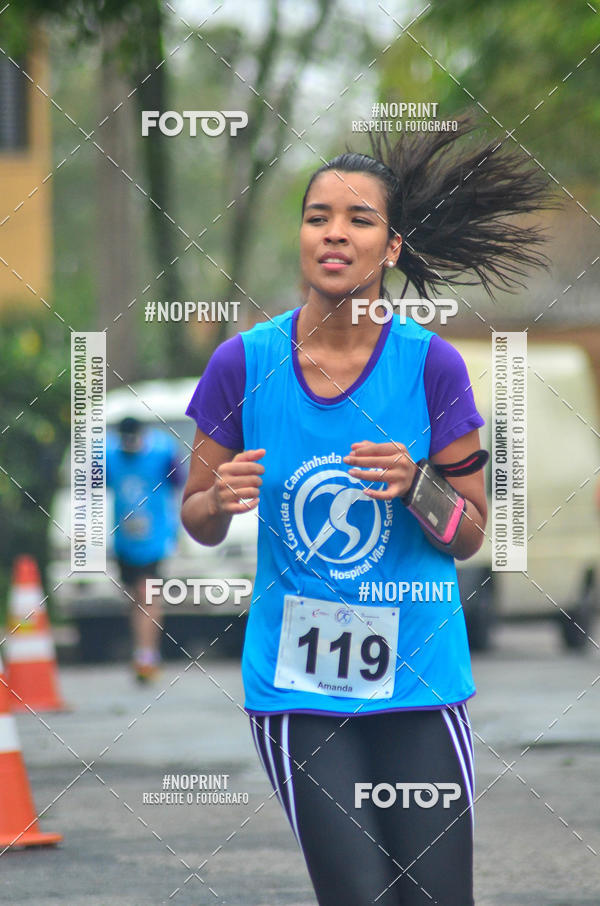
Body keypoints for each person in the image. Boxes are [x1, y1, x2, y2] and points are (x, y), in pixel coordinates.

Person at [181, 116, 552, 904]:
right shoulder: (241, 364)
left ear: (391, 248)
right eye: (318, 217)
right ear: (302, 236)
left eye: (359, 219)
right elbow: (197, 518)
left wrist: (418, 485)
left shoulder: (431, 366)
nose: (335, 233)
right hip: (300, 690)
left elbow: (471, 533)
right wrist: (217, 499)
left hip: (418, 676)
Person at [106, 416, 183, 682]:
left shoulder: (163, 451)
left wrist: (178, 529)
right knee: (135, 597)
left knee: (147, 592)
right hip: (125, 540)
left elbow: (179, 485)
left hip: (155, 537)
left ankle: (146, 655)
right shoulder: (109, 455)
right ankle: (143, 650)